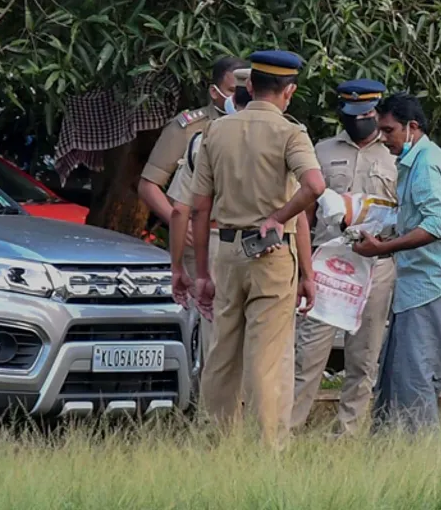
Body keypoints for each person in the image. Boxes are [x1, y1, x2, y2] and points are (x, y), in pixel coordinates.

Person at [190, 50, 326, 445]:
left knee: (222, 355)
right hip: (272, 254)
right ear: (290, 92)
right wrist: (279, 219)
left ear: (249, 86)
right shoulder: (290, 133)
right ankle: (266, 453)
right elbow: (314, 187)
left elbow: (199, 207)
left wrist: (201, 273)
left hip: (228, 253)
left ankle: (215, 446)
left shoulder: (216, 131)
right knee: (267, 361)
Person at [351, 92, 441, 434]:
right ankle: (390, 452)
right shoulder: (414, 160)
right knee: (395, 372)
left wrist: (383, 248)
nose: (384, 138)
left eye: (389, 130)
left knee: (416, 373)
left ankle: (422, 458)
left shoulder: (426, 163)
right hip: (418, 281)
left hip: (433, 282)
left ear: (412, 127)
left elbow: (436, 226)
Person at [290, 79, 398, 436]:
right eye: (352, 114)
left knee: (364, 357)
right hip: (327, 261)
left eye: (367, 114)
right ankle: (285, 432)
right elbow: (304, 212)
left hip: (375, 266)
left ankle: (347, 437)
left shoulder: (396, 154)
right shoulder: (321, 150)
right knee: (307, 355)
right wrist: (301, 266)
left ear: (378, 112)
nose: (360, 120)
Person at [169, 68, 251, 366]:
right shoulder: (286, 135)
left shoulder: (205, 139)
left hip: (217, 242)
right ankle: (257, 411)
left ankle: (215, 411)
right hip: (268, 245)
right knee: (259, 337)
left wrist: (178, 268)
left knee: (216, 337)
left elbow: (181, 210)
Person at [139, 57, 248, 239]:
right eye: (232, 91)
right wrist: (181, 226)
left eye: (245, 91)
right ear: (214, 92)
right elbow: (148, 185)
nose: (239, 98)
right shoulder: (189, 128)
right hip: (201, 234)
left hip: (246, 238)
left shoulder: (262, 127)